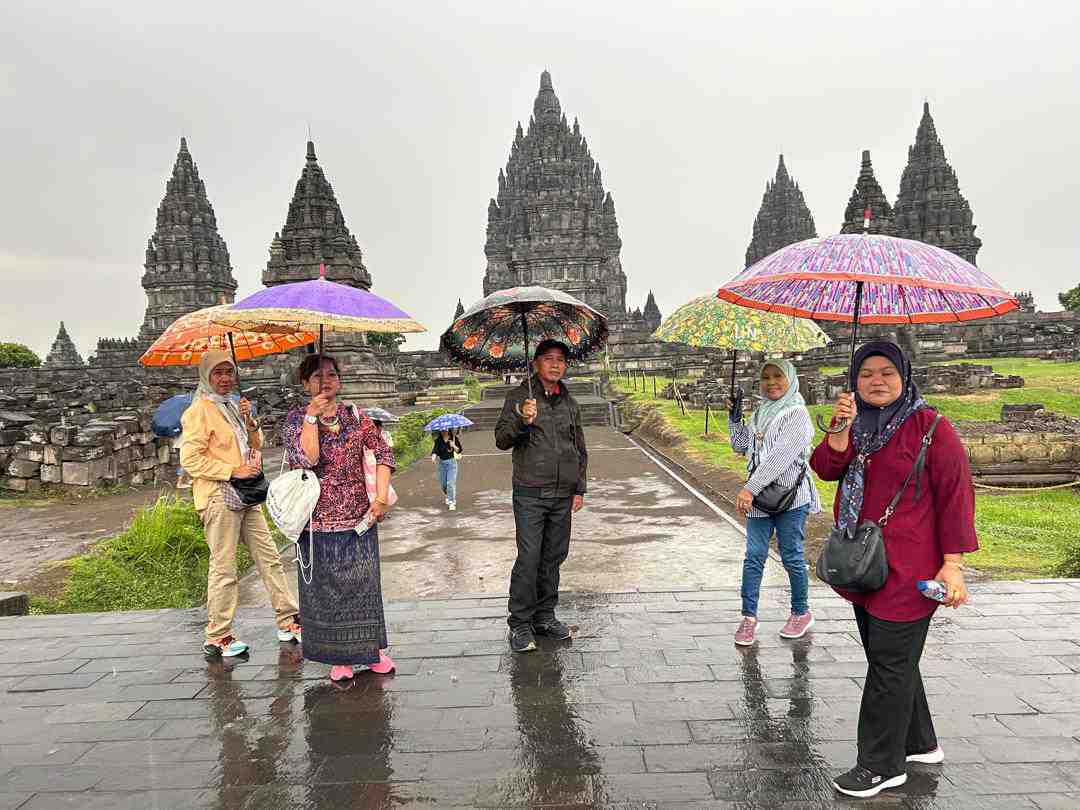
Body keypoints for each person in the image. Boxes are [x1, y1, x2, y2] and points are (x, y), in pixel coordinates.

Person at [810, 340, 977, 799]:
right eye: (866, 374)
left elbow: (957, 497)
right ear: (854, 381)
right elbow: (825, 469)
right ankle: (920, 743)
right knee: (892, 661)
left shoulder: (932, 428)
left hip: (911, 570)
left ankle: (881, 766)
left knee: (888, 664)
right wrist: (839, 430)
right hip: (864, 565)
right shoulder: (856, 422)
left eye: (886, 372)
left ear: (904, 376)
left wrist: (953, 564)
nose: (876, 381)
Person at [282, 354, 397, 683]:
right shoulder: (295, 419)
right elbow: (307, 457)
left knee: (364, 587)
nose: (326, 381)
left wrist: (380, 499)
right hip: (315, 522)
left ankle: (371, 652)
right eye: (317, 377)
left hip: (359, 518)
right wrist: (311, 419)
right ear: (305, 384)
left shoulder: (355, 416)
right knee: (326, 591)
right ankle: (338, 657)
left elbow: (384, 453)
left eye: (332, 374)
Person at [179, 350, 301, 658]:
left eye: (229, 372)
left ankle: (288, 620)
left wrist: (250, 420)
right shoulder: (199, 411)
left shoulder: (233, 407)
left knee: (269, 557)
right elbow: (190, 459)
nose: (224, 379)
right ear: (206, 376)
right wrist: (231, 470)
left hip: (246, 494)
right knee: (224, 567)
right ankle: (217, 635)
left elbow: (254, 444)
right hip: (219, 496)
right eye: (218, 373)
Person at [495, 340, 587, 653]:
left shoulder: (570, 402)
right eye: (548, 359)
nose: (555, 365)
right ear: (536, 363)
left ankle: (545, 616)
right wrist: (523, 421)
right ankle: (520, 623)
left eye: (561, 360)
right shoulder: (519, 397)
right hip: (531, 492)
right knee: (530, 557)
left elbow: (579, 447)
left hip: (563, 492)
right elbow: (501, 439)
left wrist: (579, 487)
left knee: (553, 557)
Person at [729, 359, 820, 646]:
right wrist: (734, 417)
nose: (771, 383)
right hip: (759, 498)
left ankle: (801, 612)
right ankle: (748, 617)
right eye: (765, 377)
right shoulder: (760, 412)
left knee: (791, 554)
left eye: (777, 376)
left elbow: (779, 459)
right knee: (754, 555)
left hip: (790, 497)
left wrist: (748, 489)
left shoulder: (797, 414)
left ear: (790, 379)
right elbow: (740, 446)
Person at [431, 428, 463, 510]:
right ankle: (449, 495)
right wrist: (433, 457)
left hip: (452, 464)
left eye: (445, 430)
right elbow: (435, 450)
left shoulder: (454, 438)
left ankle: (451, 502)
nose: (443, 431)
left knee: (450, 483)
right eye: (441, 430)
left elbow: (459, 450)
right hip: (442, 464)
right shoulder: (438, 440)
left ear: (448, 430)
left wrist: (453, 445)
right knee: (443, 485)